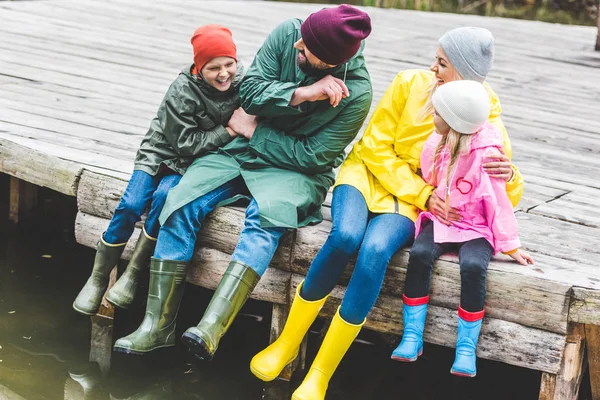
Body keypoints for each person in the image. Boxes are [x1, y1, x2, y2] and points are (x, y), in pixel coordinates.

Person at [250, 27, 523, 400]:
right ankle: (286, 343)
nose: (432, 67)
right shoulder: (408, 82)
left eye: (442, 63)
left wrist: (511, 176)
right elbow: (375, 146)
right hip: (365, 176)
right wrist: (425, 191)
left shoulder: (484, 111)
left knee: (375, 251)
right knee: (345, 235)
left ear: (463, 70)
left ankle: (321, 372)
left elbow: (498, 189)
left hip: (411, 203)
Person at [112, 4, 373, 360]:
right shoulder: (287, 34)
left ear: (328, 62)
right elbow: (249, 92)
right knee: (181, 199)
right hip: (241, 150)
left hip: (296, 173)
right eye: (301, 38)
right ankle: (157, 326)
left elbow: (313, 157)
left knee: (266, 218)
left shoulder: (357, 94)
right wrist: (301, 93)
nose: (297, 45)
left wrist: (255, 130)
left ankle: (211, 328)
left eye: (306, 48)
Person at [72, 25, 243, 315]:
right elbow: (186, 142)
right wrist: (229, 130)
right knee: (131, 204)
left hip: (191, 163)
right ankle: (98, 277)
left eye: (229, 64)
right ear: (198, 68)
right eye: (214, 67)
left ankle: (134, 273)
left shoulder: (241, 83)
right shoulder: (182, 90)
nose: (224, 73)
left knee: (165, 200)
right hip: (162, 152)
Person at [391, 80, 533, 377]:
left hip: (478, 224)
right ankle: (412, 336)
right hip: (445, 217)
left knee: (472, 265)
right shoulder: (435, 142)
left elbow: (498, 202)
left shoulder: (487, 153)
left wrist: (511, 244)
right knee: (419, 254)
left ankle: (466, 348)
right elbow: (430, 176)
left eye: (438, 114)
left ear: (454, 120)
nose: (433, 117)